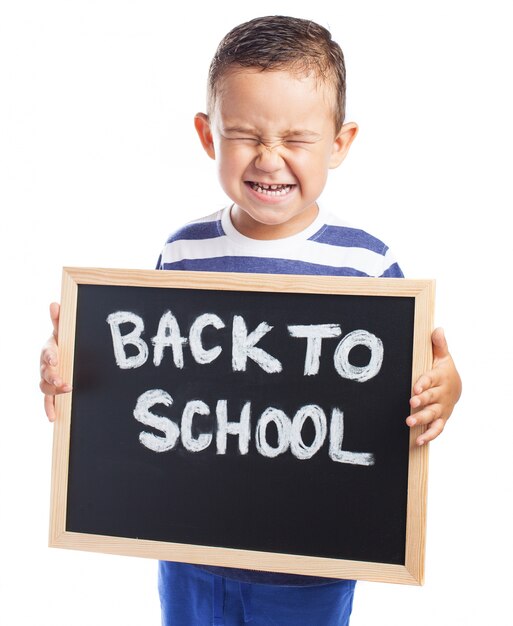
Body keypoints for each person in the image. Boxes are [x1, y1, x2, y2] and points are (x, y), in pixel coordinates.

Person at [39, 15, 462, 626]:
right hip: (188, 548)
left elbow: (411, 382)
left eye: (296, 138)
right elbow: (145, 371)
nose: (269, 159)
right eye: (244, 134)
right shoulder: (182, 253)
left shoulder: (367, 264)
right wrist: (72, 365)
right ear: (208, 135)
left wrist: (446, 391)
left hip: (313, 562)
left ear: (340, 143)